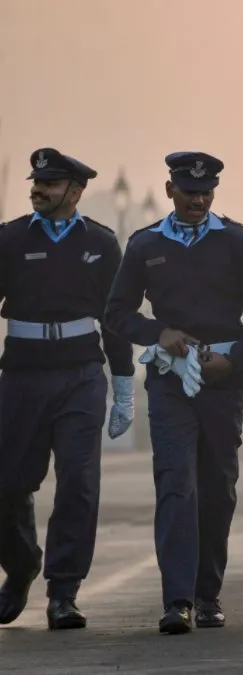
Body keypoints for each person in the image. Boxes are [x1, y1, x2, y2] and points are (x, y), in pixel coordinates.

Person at [105, 152, 243, 635]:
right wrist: (158, 332)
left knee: (217, 487)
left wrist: (234, 359)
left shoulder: (240, 242)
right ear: (169, 191)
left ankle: (207, 594)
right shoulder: (144, 246)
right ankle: (176, 600)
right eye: (189, 192)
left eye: (206, 192)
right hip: (170, 380)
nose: (198, 200)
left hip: (223, 380)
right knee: (176, 483)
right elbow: (116, 313)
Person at [0, 148, 135, 630]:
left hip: (80, 376)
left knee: (79, 482)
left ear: (74, 192)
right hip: (21, 375)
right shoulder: (9, 239)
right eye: (36, 182)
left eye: (50, 184)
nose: (37, 189)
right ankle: (20, 566)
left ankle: (63, 592)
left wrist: (123, 387)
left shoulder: (101, 243)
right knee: (8, 483)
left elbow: (114, 319)